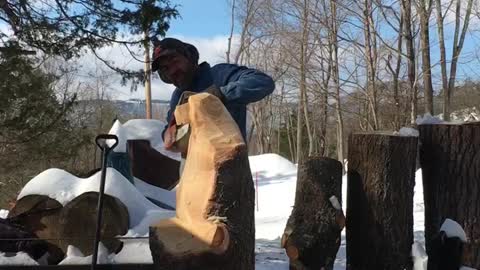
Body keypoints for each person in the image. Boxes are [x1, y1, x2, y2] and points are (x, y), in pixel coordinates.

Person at [151, 37, 275, 150]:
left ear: (189, 57)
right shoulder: (178, 96)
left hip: (229, 168)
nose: (173, 70)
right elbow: (170, 127)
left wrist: (218, 95)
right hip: (193, 171)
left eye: (175, 61)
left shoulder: (219, 75)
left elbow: (263, 81)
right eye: (166, 69)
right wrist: (167, 134)